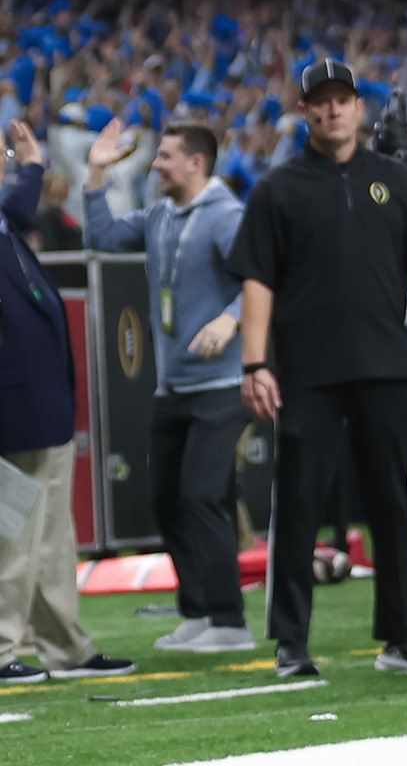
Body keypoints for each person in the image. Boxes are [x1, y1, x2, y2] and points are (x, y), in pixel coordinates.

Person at [226, 59, 407, 678]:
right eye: (321, 101)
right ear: (304, 111)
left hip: (384, 365)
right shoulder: (277, 188)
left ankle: (400, 638)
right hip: (305, 372)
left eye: (342, 99)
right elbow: (257, 282)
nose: (332, 110)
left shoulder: (395, 180)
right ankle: (291, 642)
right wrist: (255, 363)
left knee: (390, 503)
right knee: (298, 504)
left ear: (360, 107)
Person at [82, 119, 252, 652]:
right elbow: (102, 237)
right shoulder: (159, 214)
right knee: (166, 499)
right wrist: (95, 173)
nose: (156, 165)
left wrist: (231, 319)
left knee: (201, 494)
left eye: (166, 157)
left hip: (222, 384)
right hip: (172, 387)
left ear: (196, 163)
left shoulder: (226, 216)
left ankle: (230, 621)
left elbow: (265, 277)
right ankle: (198, 612)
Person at [0, 120, 136, 684]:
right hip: (11, 415)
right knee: (10, 536)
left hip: (42, 409)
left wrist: (33, 165)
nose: (1, 161)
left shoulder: (5, 225)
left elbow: (18, 206)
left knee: (53, 538)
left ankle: (65, 647)